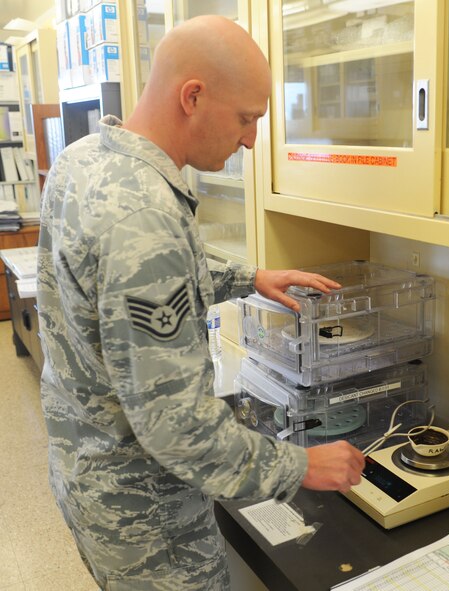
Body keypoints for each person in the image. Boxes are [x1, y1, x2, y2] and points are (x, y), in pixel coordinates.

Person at [36, 15, 364, 590]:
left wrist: (248, 275)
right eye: (246, 118)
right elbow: (177, 428)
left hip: (85, 471)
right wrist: (302, 465)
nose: (250, 140)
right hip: (147, 519)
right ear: (193, 96)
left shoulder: (86, 160)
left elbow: (118, 281)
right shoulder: (146, 217)